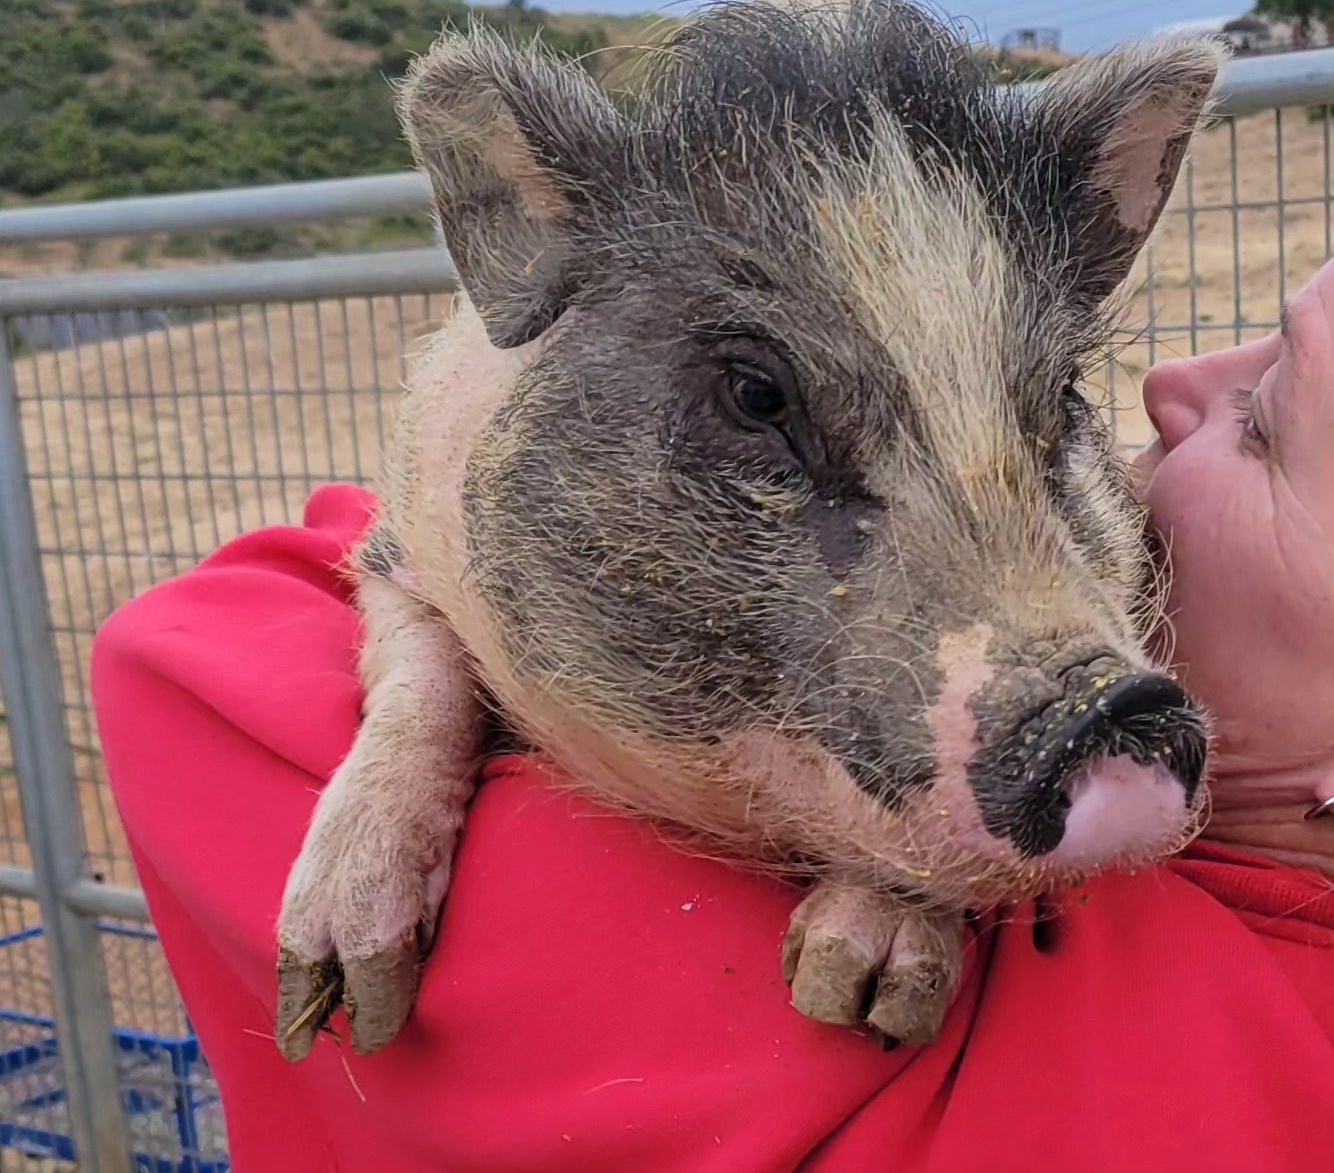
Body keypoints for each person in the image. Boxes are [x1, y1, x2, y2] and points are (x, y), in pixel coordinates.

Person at [90, 259, 1334, 1173]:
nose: (1172, 382)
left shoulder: (872, 1046)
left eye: (1264, 424)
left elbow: (186, 649)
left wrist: (420, 710)